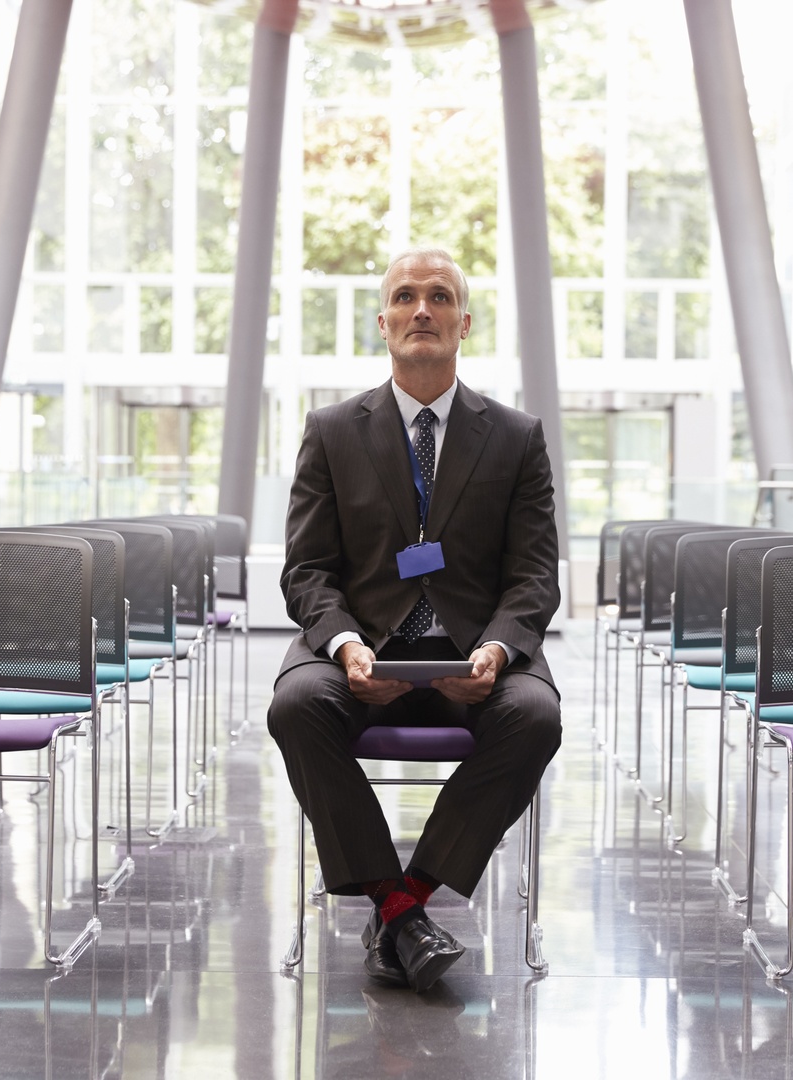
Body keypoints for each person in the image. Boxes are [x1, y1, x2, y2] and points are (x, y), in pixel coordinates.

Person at [268, 246, 562, 993]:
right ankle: (401, 913)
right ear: (384, 321)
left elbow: (533, 575)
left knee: (534, 715)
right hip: (361, 645)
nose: (421, 309)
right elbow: (306, 569)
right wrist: (344, 645)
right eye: (405, 297)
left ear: (465, 322)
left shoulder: (517, 436)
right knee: (297, 705)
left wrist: (496, 650)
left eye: (438, 297)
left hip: (474, 651)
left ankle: (406, 901)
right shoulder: (333, 431)